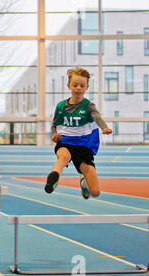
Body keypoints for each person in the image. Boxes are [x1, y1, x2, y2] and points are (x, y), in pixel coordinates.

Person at [45, 67, 112, 199]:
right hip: (66, 142)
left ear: (87, 87)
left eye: (82, 85)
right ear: (69, 85)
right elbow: (54, 125)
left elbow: (97, 117)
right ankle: (53, 178)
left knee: (95, 192)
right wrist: (54, 135)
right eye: (75, 85)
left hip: (84, 146)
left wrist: (104, 127)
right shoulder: (60, 107)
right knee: (63, 158)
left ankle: (84, 182)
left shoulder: (88, 106)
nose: (78, 88)